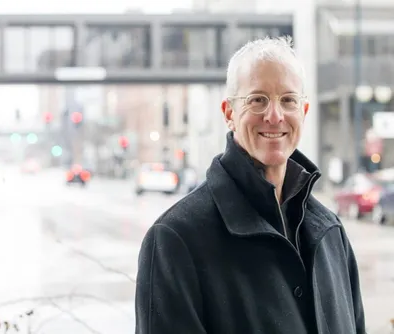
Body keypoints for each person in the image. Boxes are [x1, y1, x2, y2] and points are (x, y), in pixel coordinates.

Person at [135, 36, 366, 334]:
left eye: (288, 100)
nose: (274, 116)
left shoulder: (331, 234)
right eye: (257, 99)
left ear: (304, 112)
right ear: (229, 112)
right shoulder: (175, 241)